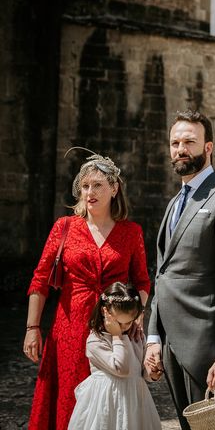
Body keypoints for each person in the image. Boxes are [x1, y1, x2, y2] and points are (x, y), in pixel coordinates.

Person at [25, 153, 151, 430]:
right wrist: (32, 326)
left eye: (97, 185)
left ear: (114, 188)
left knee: (109, 401)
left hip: (113, 329)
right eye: (84, 186)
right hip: (69, 328)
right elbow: (41, 278)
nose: (89, 192)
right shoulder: (65, 227)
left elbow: (142, 281)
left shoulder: (131, 232)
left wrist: (134, 316)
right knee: (69, 397)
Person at [145, 110, 215, 430]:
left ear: (207, 147)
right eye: (175, 142)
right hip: (171, 345)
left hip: (205, 348)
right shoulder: (174, 203)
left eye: (189, 141)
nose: (181, 148)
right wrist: (153, 338)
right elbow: (162, 275)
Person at [68, 283, 161, 430]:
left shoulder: (136, 336)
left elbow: (142, 372)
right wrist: (118, 336)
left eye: (129, 322)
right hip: (107, 402)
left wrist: (153, 373)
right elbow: (121, 368)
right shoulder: (96, 340)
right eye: (119, 323)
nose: (124, 327)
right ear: (105, 312)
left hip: (135, 401)